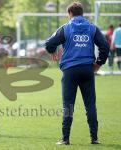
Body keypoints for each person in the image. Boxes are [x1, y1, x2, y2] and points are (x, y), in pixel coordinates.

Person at [44, 2, 109, 145]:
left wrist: (52, 50)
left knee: (68, 105)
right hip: (87, 69)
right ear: (82, 13)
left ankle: (65, 138)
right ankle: (94, 138)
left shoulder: (66, 28)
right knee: (90, 104)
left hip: (70, 71)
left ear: (70, 14)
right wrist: (99, 63)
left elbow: (49, 43)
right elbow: (104, 46)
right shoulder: (92, 28)